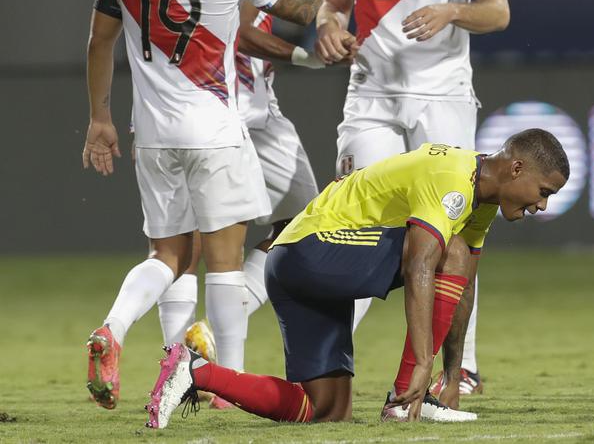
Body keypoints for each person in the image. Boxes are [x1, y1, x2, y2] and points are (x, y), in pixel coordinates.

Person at [82, 0, 341, 410]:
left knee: (169, 256)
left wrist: (100, 116)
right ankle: (227, 385)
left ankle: (115, 330)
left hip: (150, 133)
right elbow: (300, 10)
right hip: (216, 128)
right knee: (226, 263)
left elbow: (100, 40)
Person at [145, 129, 570, 429]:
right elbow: (422, 264)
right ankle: (404, 401)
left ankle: (195, 372)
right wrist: (423, 365)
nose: (543, 205)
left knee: (326, 409)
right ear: (517, 168)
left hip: (294, 264)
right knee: (449, 249)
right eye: (544, 191)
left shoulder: (483, 201)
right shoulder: (454, 179)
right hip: (312, 250)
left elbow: (463, 284)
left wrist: (453, 376)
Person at [315, 0, 510, 395]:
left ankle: (460, 366)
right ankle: (331, 366)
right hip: (371, 94)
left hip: (442, 95)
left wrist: (452, 10)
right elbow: (334, 1)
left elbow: (498, 11)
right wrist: (326, 22)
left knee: (450, 235)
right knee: (363, 227)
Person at [152, 0, 334, 370]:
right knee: (305, 221)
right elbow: (299, 11)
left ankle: (179, 353)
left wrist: (299, 61)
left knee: (186, 246)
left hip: (188, 110)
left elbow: (231, 25)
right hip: (244, 111)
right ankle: (217, 351)